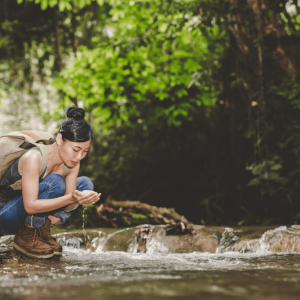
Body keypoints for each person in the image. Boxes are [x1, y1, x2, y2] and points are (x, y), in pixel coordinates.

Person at [0, 107, 100, 259]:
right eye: (76, 149)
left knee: (85, 184)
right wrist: (72, 198)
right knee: (55, 182)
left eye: (85, 151)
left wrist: (80, 198)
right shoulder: (35, 158)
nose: (80, 156)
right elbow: (30, 206)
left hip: (32, 213)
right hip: (6, 215)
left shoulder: (73, 162)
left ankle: (41, 229)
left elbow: (67, 205)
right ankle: (26, 236)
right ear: (60, 139)